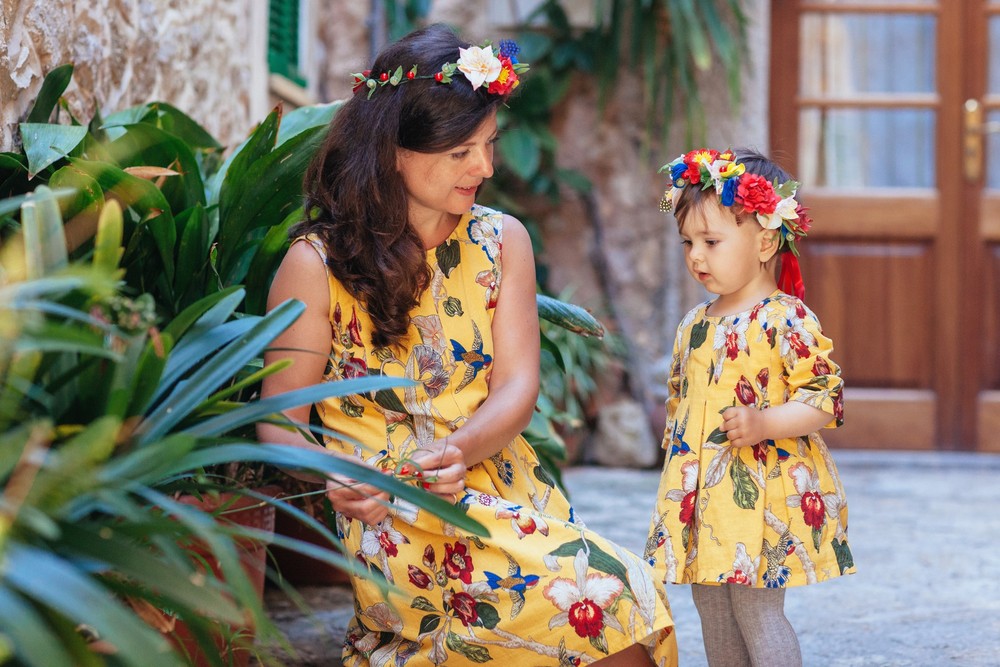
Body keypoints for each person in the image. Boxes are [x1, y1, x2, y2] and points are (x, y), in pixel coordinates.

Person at [258, 23, 677, 667]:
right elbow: (278, 426)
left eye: (488, 145)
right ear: (393, 150)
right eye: (460, 153)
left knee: (622, 608)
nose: (484, 168)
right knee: (609, 603)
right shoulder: (315, 267)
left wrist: (459, 449)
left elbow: (517, 386)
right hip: (391, 515)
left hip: (503, 483)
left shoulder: (503, 240)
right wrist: (339, 474)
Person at [643, 148, 856, 667]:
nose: (696, 256)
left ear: (764, 241)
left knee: (757, 612)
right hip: (702, 494)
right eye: (688, 242)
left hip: (760, 496)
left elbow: (824, 398)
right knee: (711, 607)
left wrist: (764, 422)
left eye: (712, 241)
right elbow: (680, 401)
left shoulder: (785, 318)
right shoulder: (694, 322)